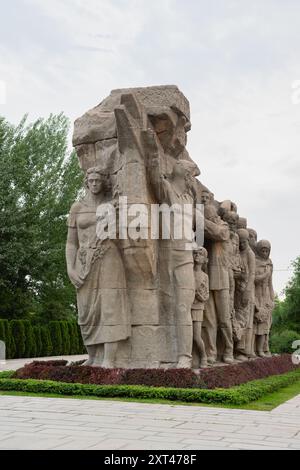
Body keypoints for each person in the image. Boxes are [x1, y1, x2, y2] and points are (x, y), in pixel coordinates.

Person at [66, 167, 130, 368]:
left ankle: (109, 359)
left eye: (98, 181)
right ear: (86, 182)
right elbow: (71, 243)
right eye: (91, 180)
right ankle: (93, 357)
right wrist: (70, 268)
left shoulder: (113, 206)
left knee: (110, 305)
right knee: (85, 309)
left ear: (104, 183)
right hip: (83, 261)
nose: (94, 184)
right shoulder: (77, 208)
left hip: (108, 256)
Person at [254, 240, 274, 357]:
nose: (265, 253)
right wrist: (265, 275)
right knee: (256, 323)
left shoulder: (270, 263)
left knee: (265, 325)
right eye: (263, 250)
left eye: (267, 250)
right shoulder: (255, 262)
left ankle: (262, 349)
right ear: (258, 250)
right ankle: (255, 350)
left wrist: (272, 299)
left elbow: (270, 284)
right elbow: (253, 279)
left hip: (266, 295)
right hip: (256, 295)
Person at [192, 247, 209, 368]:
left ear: (205, 259)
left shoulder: (204, 276)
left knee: (196, 336)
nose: (197, 255)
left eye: (200, 254)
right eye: (195, 253)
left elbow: (206, 295)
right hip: (186, 306)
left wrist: (199, 295)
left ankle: (204, 357)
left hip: (198, 307)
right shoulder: (188, 272)